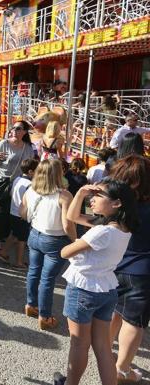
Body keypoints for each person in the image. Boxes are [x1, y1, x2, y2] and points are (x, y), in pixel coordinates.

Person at [53, 179, 139, 385]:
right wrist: (81, 193)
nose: (92, 198)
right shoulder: (122, 228)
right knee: (102, 347)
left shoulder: (102, 231)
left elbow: (65, 252)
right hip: (105, 288)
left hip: (84, 288)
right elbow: (72, 216)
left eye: (98, 195)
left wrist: (80, 244)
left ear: (117, 203)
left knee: (79, 345)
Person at [108, 155, 150, 383]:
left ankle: (105, 355)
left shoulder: (116, 205)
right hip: (142, 271)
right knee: (134, 322)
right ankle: (121, 369)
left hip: (114, 265)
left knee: (113, 313)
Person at [20, 159, 76, 330]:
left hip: (34, 234)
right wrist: (76, 241)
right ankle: (45, 316)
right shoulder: (64, 195)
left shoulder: (30, 190)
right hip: (55, 240)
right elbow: (67, 225)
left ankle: (31, 305)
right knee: (47, 279)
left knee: (33, 271)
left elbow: (22, 213)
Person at [0, 120, 35, 248]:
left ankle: (12, 237)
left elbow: (31, 165)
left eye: (18, 128)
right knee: (2, 211)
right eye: (13, 128)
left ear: (25, 132)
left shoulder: (28, 147)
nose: (14, 130)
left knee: (15, 211)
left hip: (20, 183)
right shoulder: (4, 144)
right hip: (3, 182)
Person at [0, 158, 39, 268]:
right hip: (22, 215)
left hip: (13, 211)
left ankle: (3, 252)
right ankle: (19, 261)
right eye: (37, 170)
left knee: (15, 234)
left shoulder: (17, 179)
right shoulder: (30, 184)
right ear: (31, 172)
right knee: (22, 239)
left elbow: (11, 193)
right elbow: (31, 201)